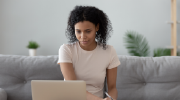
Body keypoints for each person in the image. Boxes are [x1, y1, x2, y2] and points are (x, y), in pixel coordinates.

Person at [57, 5, 120, 100]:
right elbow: (74, 87)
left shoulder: (109, 51)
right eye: (78, 31)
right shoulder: (66, 50)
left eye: (88, 31)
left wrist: (110, 99)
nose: (83, 36)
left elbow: (112, 88)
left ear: (97, 27)